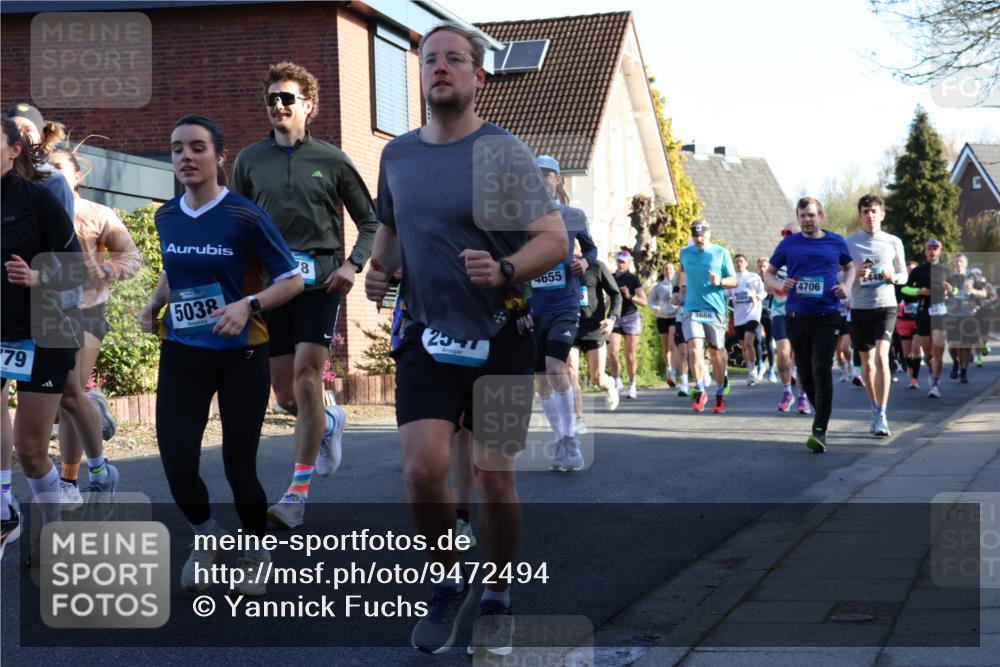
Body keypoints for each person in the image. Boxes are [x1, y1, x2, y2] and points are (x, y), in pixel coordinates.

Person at [365, 22, 566, 656]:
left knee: (492, 476)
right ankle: (448, 581)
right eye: (431, 59)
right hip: (425, 333)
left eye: (455, 59)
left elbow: (553, 239)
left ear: (479, 77)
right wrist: (377, 267)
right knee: (423, 474)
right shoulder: (397, 154)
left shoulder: (503, 153)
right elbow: (392, 231)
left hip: (502, 334)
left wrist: (506, 268)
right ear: (419, 73)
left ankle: (500, 594)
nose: (441, 67)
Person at [138, 115, 303, 594]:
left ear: (219, 157)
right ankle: (207, 537)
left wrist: (247, 304)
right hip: (183, 350)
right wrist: (154, 303)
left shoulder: (244, 216)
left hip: (242, 354)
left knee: (238, 465)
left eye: (196, 148)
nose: (185, 157)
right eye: (176, 149)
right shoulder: (165, 216)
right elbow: (174, 271)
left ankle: (256, 547)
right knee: (177, 463)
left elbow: (291, 280)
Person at [230, 62, 370, 528]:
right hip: (274, 285)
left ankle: (296, 492)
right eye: (271, 98)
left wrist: (353, 265)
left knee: (310, 378)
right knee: (287, 397)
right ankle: (329, 423)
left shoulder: (332, 159)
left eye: (287, 98)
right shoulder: (249, 160)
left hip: (322, 280)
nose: (278, 106)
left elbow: (371, 220)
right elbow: (235, 224)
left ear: (308, 105)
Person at [1, 117, 88, 557]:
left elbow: (76, 268)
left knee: (31, 449)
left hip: (44, 328)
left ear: (14, 150)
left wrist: (37, 276)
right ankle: (4, 511)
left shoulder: (38, 198)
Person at [49, 146, 143, 509]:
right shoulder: (34, 211)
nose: (52, 173)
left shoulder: (98, 215)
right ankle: (94, 407)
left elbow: (132, 258)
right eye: (47, 167)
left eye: (60, 167)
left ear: (77, 176)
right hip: (41, 312)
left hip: (87, 310)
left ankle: (70, 478)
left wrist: (106, 270)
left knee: (66, 393)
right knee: (62, 401)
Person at [765, 198, 854, 452]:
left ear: (821, 217)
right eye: (802, 215)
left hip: (827, 315)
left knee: (821, 367)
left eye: (811, 215)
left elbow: (850, 268)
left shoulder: (835, 241)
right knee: (804, 374)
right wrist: (779, 285)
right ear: (798, 216)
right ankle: (821, 413)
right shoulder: (789, 243)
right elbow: (769, 273)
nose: (807, 220)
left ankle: (819, 429)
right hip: (797, 317)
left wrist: (845, 287)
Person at [529, 154, 598, 472]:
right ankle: (562, 442)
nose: (542, 179)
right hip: (534, 308)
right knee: (542, 379)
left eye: (548, 175)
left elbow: (592, 249)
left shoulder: (573, 215)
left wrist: (584, 262)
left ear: (557, 180)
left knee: (556, 366)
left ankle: (571, 438)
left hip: (565, 305)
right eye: (536, 175)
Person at [845, 193, 907, 437]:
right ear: (860, 216)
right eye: (865, 212)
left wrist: (894, 277)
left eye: (874, 211)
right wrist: (854, 272)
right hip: (860, 308)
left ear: (882, 214)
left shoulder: (893, 241)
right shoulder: (849, 243)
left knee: (882, 358)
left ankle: (882, 415)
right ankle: (875, 407)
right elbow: (840, 276)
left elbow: (904, 275)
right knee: (867, 365)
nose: (870, 216)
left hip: (886, 306)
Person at [678, 221, 738, 413]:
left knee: (716, 353)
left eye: (702, 234)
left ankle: (719, 393)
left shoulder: (721, 253)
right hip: (692, 309)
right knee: (694, 349)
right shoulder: (685, 253)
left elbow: (734, 280)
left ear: (709, 234)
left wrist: (719, 281)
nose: (699, 238)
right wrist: (678, 290)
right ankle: (701, 389)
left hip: (715, 309)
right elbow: (682, 275)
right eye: (695, 235)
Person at [569, 255, 622, 428]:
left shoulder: (596, 267)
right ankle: (578, 419)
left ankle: (610, 384)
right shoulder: (561, 267)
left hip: (595, 329)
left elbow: (616, 295)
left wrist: (612, 319)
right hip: (571, 328)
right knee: (571, 373)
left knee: (597, 378)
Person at [902, 239, 949, 397]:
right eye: (929, 248)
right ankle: (931, 368)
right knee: (928, 352)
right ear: (925, 251)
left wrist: (950, 288)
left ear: (940, 251)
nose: (932, 252)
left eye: (935, 249)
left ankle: (935, 385)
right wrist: (918, 292)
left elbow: (957, 290)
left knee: (937, 351)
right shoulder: (918, 271)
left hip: (940, 313)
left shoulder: (946, 270)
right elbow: (905, 289)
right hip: (923, 313)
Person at [609, 251, 647, 399]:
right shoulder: (611, 278)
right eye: (618, 261)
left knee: (629, 354)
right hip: (615, 317)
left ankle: (632, 384)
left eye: (623, 262)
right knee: (612, 351)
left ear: (629, 263)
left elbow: (644, 302)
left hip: (631, 317)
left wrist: (629, 296)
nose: (620, 264)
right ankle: (618, 382)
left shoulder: (633, 279)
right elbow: (606, 299)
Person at [944, 253, 986, 384]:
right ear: (953, 263)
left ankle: (963, 372)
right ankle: (955, 362)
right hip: (952, 315)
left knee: (966, 346)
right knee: (953, 346)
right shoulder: (949, 277)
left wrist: (973, 291)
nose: (959, 264)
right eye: (956, 261)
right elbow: (941, 293)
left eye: (961, 261)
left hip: (969, 316)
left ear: (966, 264)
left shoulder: (973, 277)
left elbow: (984, 294)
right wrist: (946, 292)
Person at [726, 254, 767, 386]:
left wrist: (757, 297)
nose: (739, 263)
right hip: (739, 316)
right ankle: (750, 368)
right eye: (736, 262)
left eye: (741, 261)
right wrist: (727, 298)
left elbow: (764, 291)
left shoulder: (753, 277)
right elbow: (725, 294)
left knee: (749, 342)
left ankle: (752, 372)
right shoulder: (732, 279)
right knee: (744, 346)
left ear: (746, 263)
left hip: (753, 314)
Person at [649, 262, 681, 387]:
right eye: (666, 269)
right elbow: (650, 301)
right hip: (662, 317)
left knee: (673, 345)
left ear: (674, 270)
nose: (668, 271)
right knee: (665, 346)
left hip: (674, 316)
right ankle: (668, 367)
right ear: (663, 271)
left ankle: (673, 373)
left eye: (670, 269)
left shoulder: (677, 284)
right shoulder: (658, 286)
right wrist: (656, 308)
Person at [896, 260, 921, 389]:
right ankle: (911, 369)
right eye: (908, 269)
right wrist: (899, 303)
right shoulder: (901, 285)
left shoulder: (922, 285)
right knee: (907, 354)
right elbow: (895, 298)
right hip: (903, 322)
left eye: (913, 269)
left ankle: (914, 379)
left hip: (918, 321)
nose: (911, 271)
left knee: (916, 350)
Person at [756, 256, 777, 382]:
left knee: (769, 341)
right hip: (757, 313)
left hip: (769, 313)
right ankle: (760, 365)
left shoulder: (772, 279)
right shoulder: (755, 279)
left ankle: (772, 369)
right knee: (757, 340)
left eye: (764, 266)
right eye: (760, 266)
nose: (762, 269)